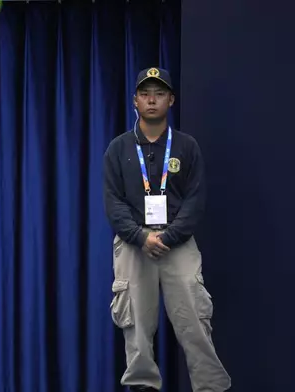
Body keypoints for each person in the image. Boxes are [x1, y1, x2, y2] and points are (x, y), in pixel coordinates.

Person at [102, 67, 231, 392]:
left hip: (178, 242)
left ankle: (210, 387)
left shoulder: (186, 147)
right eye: (145, 94)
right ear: (135, 100)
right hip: (134, 244)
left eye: (159, 94)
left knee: (195, 322)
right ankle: (143, 386)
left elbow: (195, 200)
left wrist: (169, 237)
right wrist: (141, 236)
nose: (152, 100)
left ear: (170, 100)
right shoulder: (118, 149)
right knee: (136, 326)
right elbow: (113, 203)